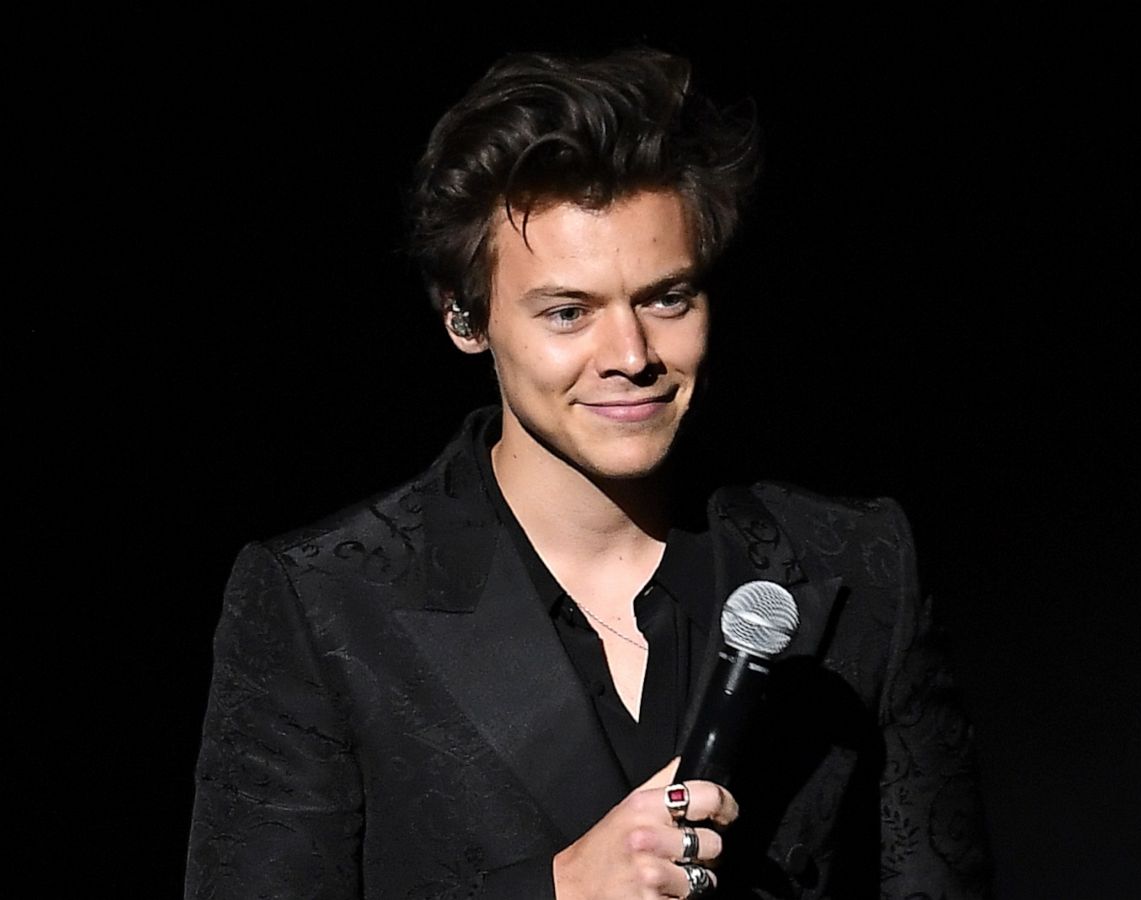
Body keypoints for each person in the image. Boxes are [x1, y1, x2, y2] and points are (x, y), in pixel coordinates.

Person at [186, 47, 991, 899]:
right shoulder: (321, 602)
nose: (632, 356)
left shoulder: (859, 565)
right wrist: (557, 889)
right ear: (466, 319)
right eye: (569, 312)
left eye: (666, 298)